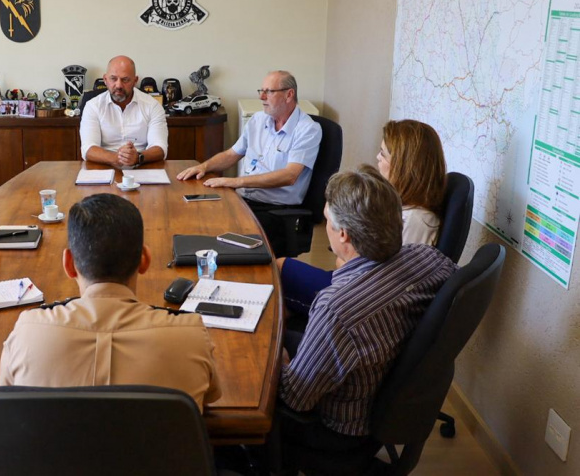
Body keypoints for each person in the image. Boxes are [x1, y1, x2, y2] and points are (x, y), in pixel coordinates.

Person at [275, 165, 457, 460]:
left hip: (342, 429)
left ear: (343, 235)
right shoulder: (430, 258)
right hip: (385, 396)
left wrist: (280, 357)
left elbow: (295, 399)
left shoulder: (335, 307)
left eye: (327, 221)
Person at [0, 193, 221, 412]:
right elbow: (211, 397)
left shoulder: (27, 331)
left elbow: (4, 404)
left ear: (69, 264)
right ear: (144, 260)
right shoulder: (190, 335)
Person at [279, 119, 447, 313]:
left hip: (357, 298)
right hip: (354, 284)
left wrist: (344, 261)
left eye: (383, 154)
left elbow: (388, 281)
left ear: (403, 165)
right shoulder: (402, 207)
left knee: (280, 267)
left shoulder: (414, 221)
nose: (377, 158)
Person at [176, 71, 322, 254]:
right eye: (261, 91)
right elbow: (232, 154)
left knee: (218, 233)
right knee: (195, 214)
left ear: (289, 94)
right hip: (244, 200)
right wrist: (203, 166)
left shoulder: (307, 130)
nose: (262, 97)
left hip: (275, 210)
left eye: (269, 92)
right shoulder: (258, 120)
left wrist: (236, 182)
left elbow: (290, 176)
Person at [79, 56, 168, 167]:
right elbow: (88, 149)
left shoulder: (152, 106)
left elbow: (160, 148)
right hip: (104, 166)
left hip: (142, 165)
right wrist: (116, 158)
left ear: (135, 81)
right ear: (105, 79)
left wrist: (138, 157)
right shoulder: (93, 106)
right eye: (113, 79)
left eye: (125, 80)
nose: (119, 85)